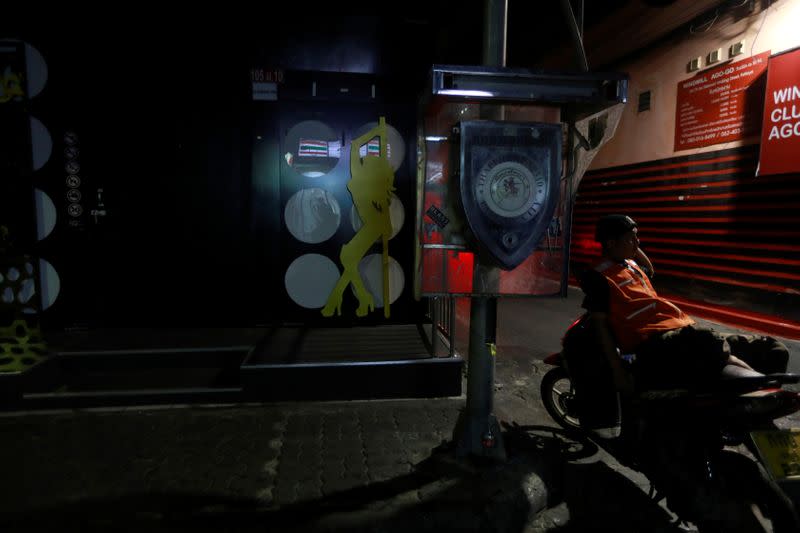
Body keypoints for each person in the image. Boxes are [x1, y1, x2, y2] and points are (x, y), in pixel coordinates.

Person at [580, 214, 789, 395]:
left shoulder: (631, 264)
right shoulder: (597, 276)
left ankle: (758, 399)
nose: (637, 243)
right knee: (708, 340)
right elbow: (601, 326)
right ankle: (760, 390)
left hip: (681, 331)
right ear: (610, 243)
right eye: (630, 239)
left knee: (772, 348)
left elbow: (648, 267)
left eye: (637, 237)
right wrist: (618, 372)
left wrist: (631, 243)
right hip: (650, 343)